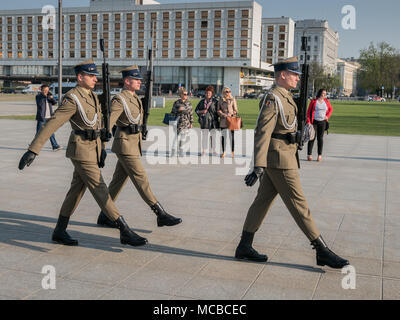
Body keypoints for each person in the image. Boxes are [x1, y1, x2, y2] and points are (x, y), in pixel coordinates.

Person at [235, 57, 349, 269]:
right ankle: (321, 250)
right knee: (299, 204)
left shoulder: (285, 96)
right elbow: (262, 132)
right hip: (280, 160)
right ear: (282, 75)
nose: (297, 78)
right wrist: (258, 166)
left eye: (298, 75)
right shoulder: (273, 98)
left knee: (262, 202)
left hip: (284, 155)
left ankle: (244, 245)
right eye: (294, 74)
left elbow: (285, 127)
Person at [18, 59, 147, 247]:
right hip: (80, 151)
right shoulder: (73, 98)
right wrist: (33, 149)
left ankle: (59, 231)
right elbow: (53, 122)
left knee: (76, 191)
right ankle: (124, 230)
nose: (95, 79)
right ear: (80, 77)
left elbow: (97, 126)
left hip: (92, 150)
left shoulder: (92, 96)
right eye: (91, 75)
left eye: (96, 75)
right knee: (99, 187)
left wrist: (101, 149)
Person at [96, 66, 182, 228]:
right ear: (127, 81)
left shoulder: (135, 98)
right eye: (136, 79)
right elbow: (106, 125)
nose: (139, 82)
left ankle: (105, 215)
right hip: (124, 145)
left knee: (117, 183)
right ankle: (160, 213)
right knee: (141, 178)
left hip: (133, 144)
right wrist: (101, 148)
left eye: (140, 79)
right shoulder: (120, 100)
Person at [306, 88, 333, 162]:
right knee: (312, 138)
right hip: (314, 122)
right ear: (320, 93)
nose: (324, 95)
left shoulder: (326, 101)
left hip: (322, 122)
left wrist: (327, 116)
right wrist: (308, 121)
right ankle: (309, 155)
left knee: (320, 139)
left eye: (325, 94)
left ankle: (319, 155)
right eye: (323, 93)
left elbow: (331, 109)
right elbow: (308, 112)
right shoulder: (314, 101)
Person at [35, 84, 61, 151]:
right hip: (42, 118)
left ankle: (55, 146)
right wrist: (46, 95)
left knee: (50, 132)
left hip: (49, 117)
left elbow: (54, 103)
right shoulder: (38, 97)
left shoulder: (48, 97)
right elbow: (40, 102)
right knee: (39, 133)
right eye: (45, 90)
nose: (46, 91)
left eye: (47, 90)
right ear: (41, 90)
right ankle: (34, 146)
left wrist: (52, 98)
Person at [195, 85, 219, 156]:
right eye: (206, 93)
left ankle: (213, 150)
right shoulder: (202, 101)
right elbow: (196, 110)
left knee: (213, 137)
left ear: (212, 94)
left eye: (209, 93)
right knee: (204, 137)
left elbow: (218, 111)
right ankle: (203, 151)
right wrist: (201, 111)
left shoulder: (215, 102)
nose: (208, 94)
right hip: (204, 122)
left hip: (213, 122)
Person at [171, 87, 194, 156]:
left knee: (183, 138)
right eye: (184, 94)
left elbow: (191, 113)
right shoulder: (177, 103)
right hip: (177, 123)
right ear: (181, 94)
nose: (186, 95)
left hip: (186, 123)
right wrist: (178, 110)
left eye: (187, 94)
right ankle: (173, 151)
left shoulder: (189, 103)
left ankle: (181, 151)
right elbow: (172, 112)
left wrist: (191, 122)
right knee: (176, 138)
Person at [217, 87, 238, 158]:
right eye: (226, 91)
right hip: (223, 120)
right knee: (223, 137)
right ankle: (224, 152)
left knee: (231, 137)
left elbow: (236, 110)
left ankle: (232, 152)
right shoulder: (220, 100)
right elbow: (218, 110)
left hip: (231, 120)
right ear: (223, 92)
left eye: (229, 91)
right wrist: (223, 114)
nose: (228, 93)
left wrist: (231, 114)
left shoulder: (233, 99)